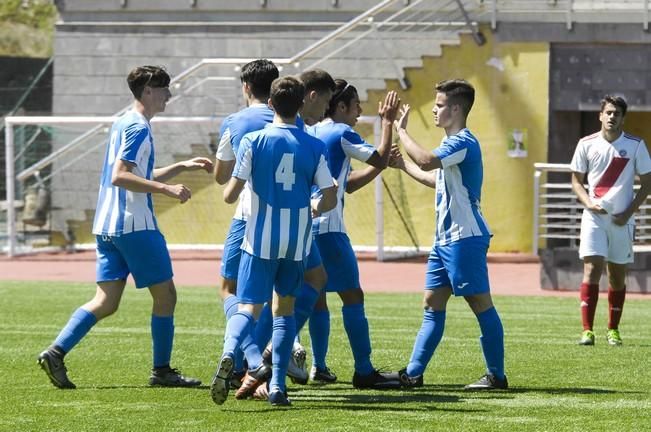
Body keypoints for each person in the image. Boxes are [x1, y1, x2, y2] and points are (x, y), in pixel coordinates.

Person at [37, 65, 213, 389]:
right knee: (166, 297)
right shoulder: (139, 128)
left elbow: (138, 172)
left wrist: (181, 167)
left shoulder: (123, 122)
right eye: (163, 88)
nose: (169, 95)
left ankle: (56, 352)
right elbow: (121, 175)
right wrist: (167, 191)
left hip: (107, 227)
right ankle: (162, 371)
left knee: (106, 301)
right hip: (135, 226)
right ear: (147, 90)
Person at [210, 76, 337, 407]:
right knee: (285, 312)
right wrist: (314, 205)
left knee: (248, 305)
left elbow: (229, 195)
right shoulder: (314, 144)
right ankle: (278, 385)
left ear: (271, 105)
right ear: (300, 106)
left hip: (260, 239)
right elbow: (331, 196)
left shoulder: (254, 141)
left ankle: (229, 354)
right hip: (297, 242)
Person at [393, 79, 507, 390]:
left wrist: (401, 131)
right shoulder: (453, 147)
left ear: (456, 109)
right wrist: (402, 164)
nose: (434, 109)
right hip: (445, 240)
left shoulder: (463, 141)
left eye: (440, 105)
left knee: (480, 303)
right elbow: (435, 179)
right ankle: (413, 374)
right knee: (432, 302)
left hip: (464, 238)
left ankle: (496, 375)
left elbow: (427, 160)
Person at [308, 79, 402, 389]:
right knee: (352, 296)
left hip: (306, 225)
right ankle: (363, 370)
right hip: (330, 227)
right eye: (355, 105)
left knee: (316, 298)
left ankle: (318, 367)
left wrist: (381, 165)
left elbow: (347, 182)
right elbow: (378, 155)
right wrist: (387, 123)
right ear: (340, 107)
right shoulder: (341, 132)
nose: (360, 111)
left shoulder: (313, 131)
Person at [213, 59, 278, 385]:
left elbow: (221, 175)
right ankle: (279, 361)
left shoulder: (235, 122)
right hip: (293, 220)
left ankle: (250, 356)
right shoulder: (293, 121)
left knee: (230, 289)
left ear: (246, 87)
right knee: (290, 292)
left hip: (248, 216)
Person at [570, 95, 651, 346]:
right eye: (608, 112)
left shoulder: (636, 145)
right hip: (594, 218)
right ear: (600, 115)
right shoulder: (586, 144)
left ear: (623, 118)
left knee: (616, 276)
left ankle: (613, 329)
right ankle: (587, 330)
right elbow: (576, 180)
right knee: (592, 269)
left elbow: (647, 183)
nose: (612, 117)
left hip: (622, 221)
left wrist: (628, 212)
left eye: (617, 113)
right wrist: (588, 203)